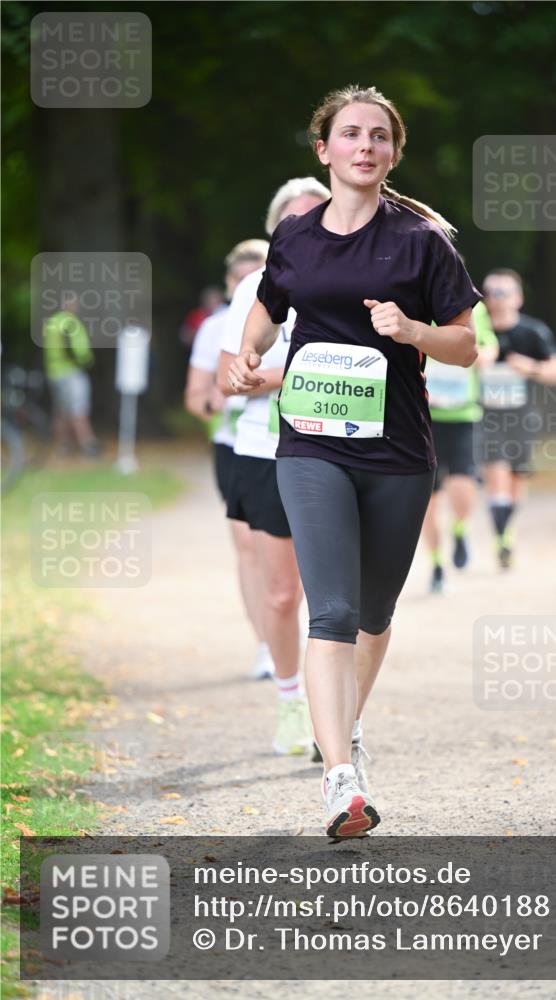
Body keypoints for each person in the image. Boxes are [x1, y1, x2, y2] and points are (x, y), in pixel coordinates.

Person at [226, 85, 480, 838]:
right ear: (324, 150)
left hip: (397, 450)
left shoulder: (421, 241)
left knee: (372, 613)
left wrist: (412, 331)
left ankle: (345, 730)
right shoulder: (297, 237)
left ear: (392, 153)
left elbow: (467, 344)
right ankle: (341, 780)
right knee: (330, 607)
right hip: (308, 442)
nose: (364, 146)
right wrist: (246, 357)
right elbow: (266, 312)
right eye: (350, 134)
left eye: (378, 136)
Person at [218, 177, 331, 755]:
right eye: (293, 219)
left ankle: (340, 720)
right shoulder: (255, 291)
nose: (305, 225)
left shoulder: (361, 275)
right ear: (275, 230)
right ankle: (290, 700)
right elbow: (227, 380)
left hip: (345, 450)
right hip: (268, 452)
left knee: (342, 600)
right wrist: (304, 374)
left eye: (318, 214)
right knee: (285, 595)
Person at [185, 239, 273, 679]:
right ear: (229, 284)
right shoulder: (215, 327)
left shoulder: (295, 315)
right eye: (240, 280)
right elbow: (196, 397)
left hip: (288, 440)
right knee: (248, 545)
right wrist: (214, 401)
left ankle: (291, 633)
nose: (249, 288)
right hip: (234, 446)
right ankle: (264, 645)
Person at [480, 269, 556, 569]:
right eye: (491, 293)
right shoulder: (478, 331)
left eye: (504, 293)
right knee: (497, 474)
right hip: (485, 417)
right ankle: (501, 536)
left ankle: (508, 532)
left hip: (522, 417)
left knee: (517, 477)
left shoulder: (532, 332)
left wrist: (528, 367)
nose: (498, 299)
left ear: (518, 298)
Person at [422, 300, 498, 592]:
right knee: (427, 495)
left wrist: (477, 355)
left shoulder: (472, 308)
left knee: (462, 480)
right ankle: (437, 563)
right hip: (422, 414)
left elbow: (489, 347)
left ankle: (460, 529)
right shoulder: (410, 303)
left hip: (462, 411)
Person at [43, 291, 100, 457]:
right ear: (69, 304)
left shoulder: (52, 322)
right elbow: (75, 350)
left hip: (54, 372)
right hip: (71, 372)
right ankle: (88, 444)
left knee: (61, 411)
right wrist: (86, 361)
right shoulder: (70, 324)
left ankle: (62, 446)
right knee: (78, 409)